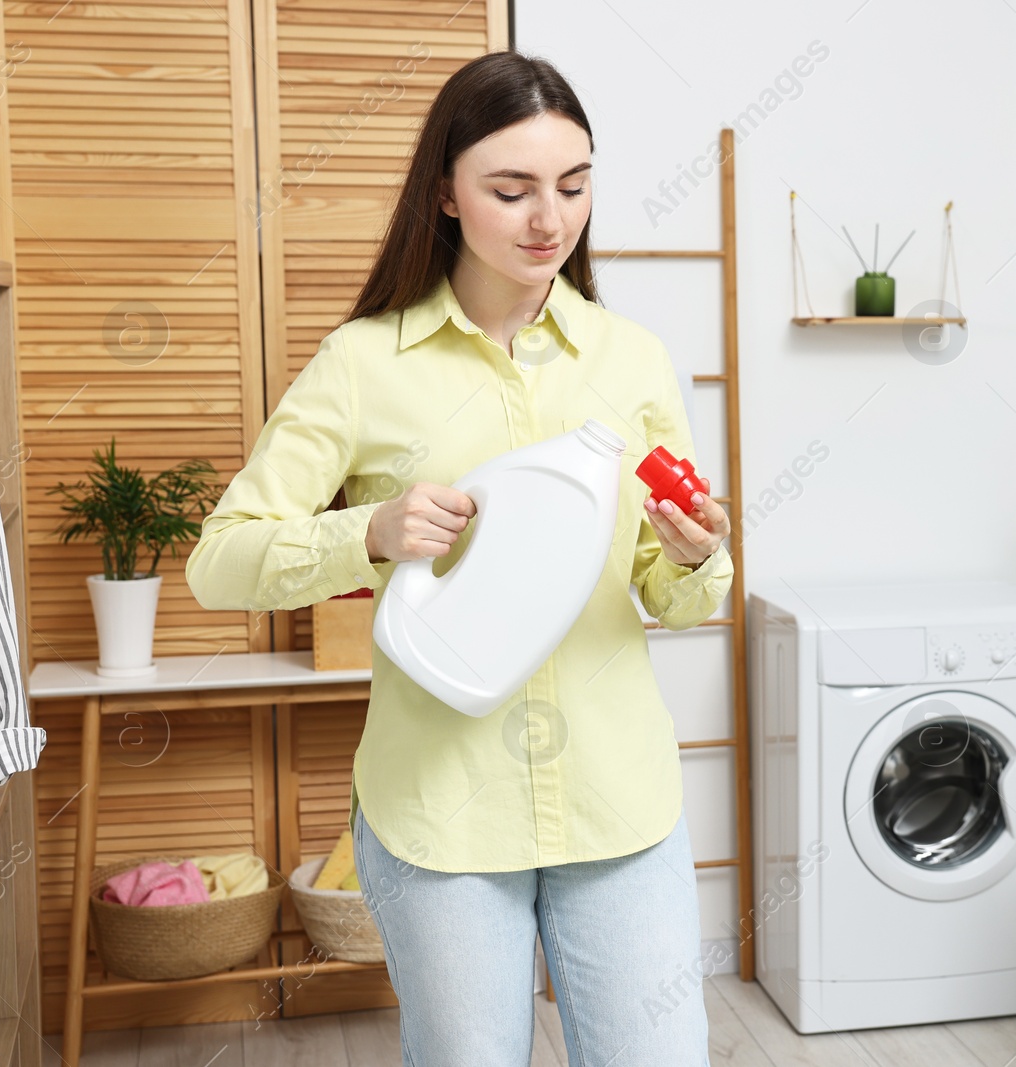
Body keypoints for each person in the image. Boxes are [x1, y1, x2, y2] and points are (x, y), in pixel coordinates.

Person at [185, 49, 733, 1067]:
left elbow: (680, 595)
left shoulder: (632, 359)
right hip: (440, 814)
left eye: (572, 187)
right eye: (511, 189)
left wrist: (697, 558)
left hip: (619, 803)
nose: (549, 221)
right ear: (444, 193)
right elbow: (220, 562)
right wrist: (371, 532)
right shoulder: (363, 364)